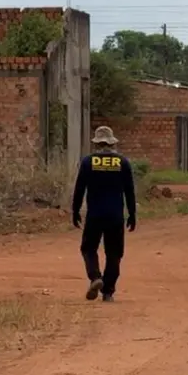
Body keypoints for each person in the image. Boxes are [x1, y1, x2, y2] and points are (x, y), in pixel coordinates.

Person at [71, 126, 137, 302]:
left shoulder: (87, 162)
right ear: (112, 143)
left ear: (96, 144)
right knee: (114, 253)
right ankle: (108, 291)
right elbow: (129, 191)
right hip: (115, 215)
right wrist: (132, 214)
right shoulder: (122, 163)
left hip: (94, 215)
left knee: (88, 248)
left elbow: (79, 189)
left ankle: (95, 277)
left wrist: (75, 210)